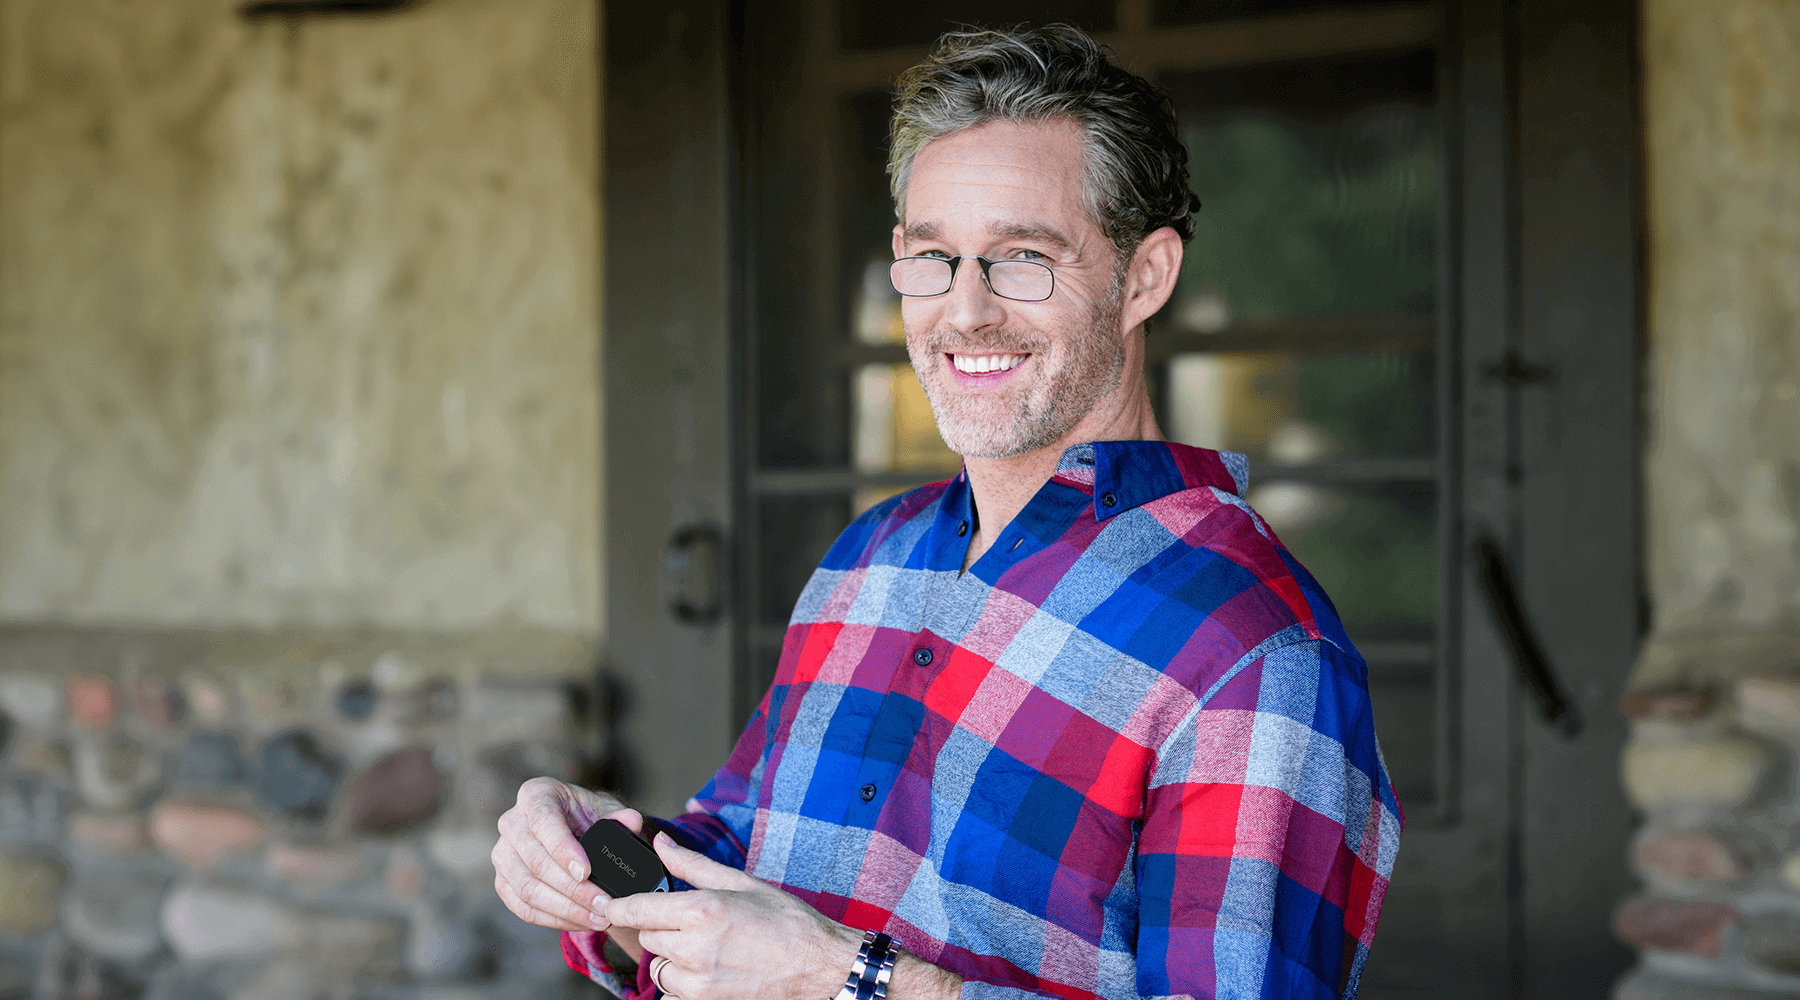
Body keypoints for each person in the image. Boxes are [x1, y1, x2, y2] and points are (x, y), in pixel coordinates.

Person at [492, 24, 1401, 1000]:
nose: (964, 311)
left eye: (1021, 258)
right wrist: (597, 861)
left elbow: (799, 961)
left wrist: (843, 980)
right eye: (934, 257)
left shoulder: (1253, 651)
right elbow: (738, 877)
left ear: (1145, 278)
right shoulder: (872, 556)